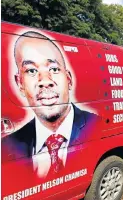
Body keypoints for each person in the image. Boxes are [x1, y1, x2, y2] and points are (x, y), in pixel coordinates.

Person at [2, 31, 99, 179]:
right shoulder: (7, 145)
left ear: (68, 79)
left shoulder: (96, 125)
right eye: (31, 71)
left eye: (53, 69)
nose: (45, 80)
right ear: (20, 83)